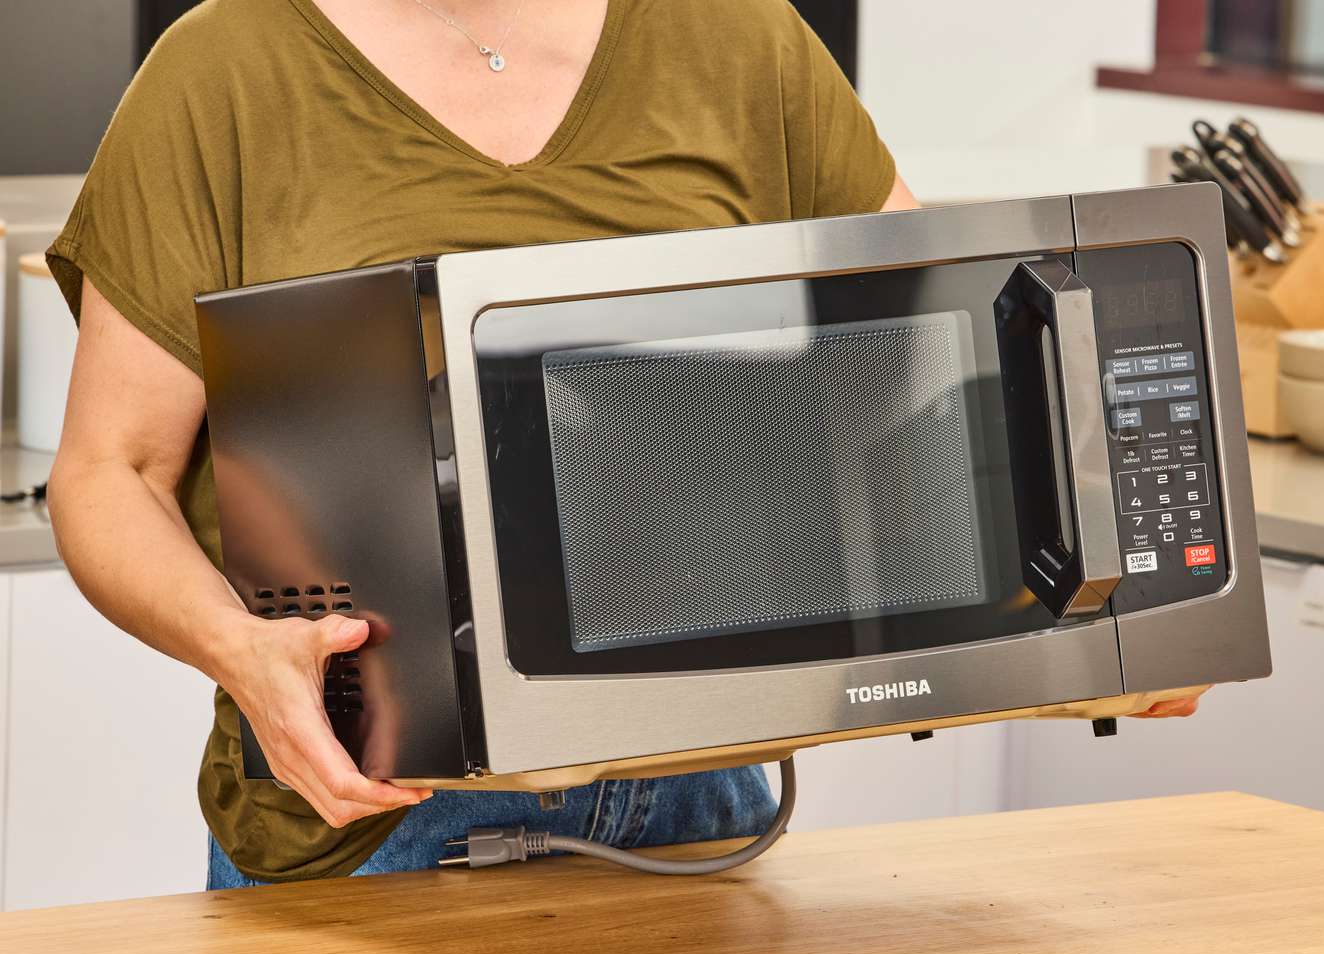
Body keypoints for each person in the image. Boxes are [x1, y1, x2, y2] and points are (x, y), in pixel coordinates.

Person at [46, 0, 1198, 889]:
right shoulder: (222, 72)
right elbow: (110, 473)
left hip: (702, 812)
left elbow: (945, 355)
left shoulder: (738, 40)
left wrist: (1124, 603)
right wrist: (240, 651)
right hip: (361, 827)